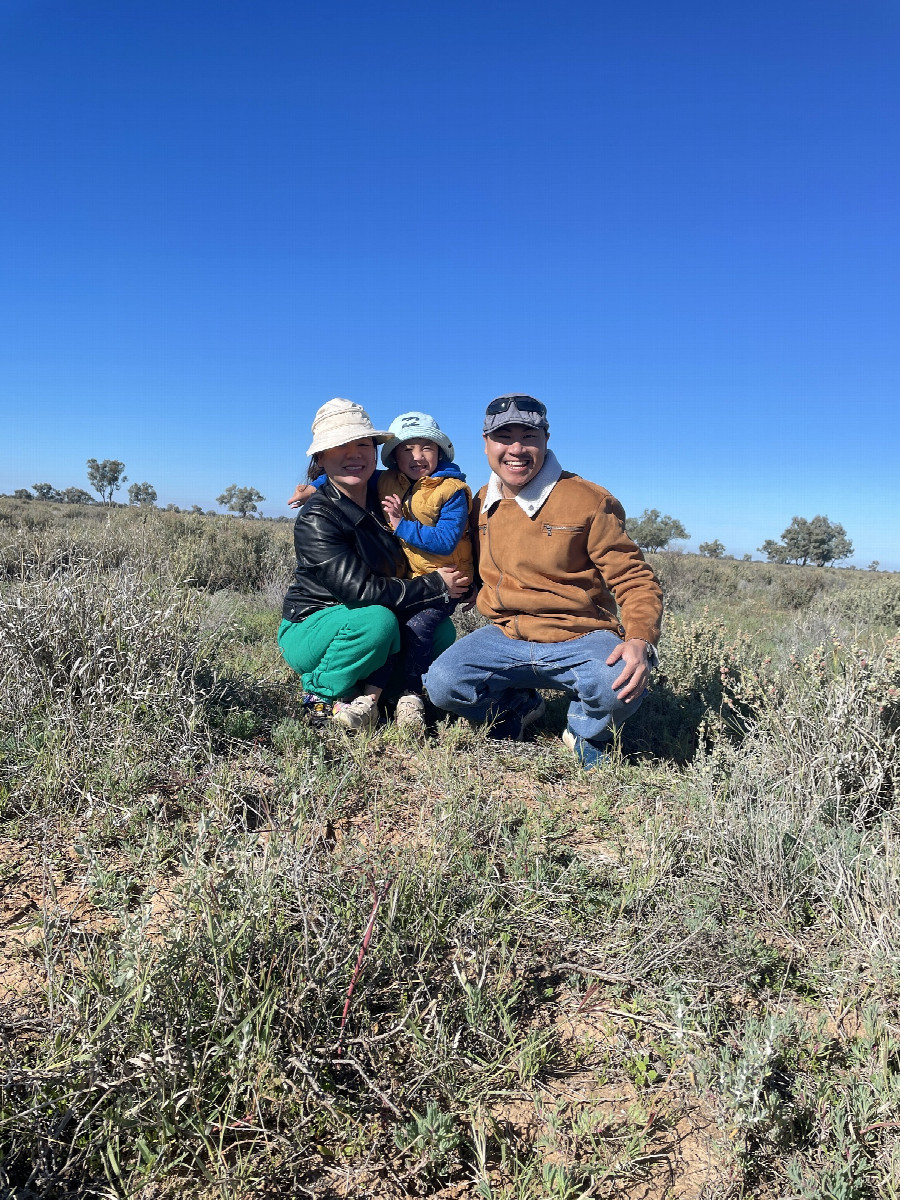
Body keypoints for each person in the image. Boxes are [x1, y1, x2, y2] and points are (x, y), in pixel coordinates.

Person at [423, 395, 663, 767]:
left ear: (546, 440)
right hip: (507, 635)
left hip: (580, 635)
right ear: (486, 443)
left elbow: (633, 577)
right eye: (504, 436)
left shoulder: (588, 500)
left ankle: (584, 730)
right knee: (442, 683)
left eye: (528, 436)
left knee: (620, 684)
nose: (516, 449)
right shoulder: (480, 502)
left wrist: (639, 639)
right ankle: (517, 706)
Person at [279, 398, 470, 732]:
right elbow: (361, 591)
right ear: (321, 457)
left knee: (441, 631)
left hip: (371, 616)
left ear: (376, 451)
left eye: (362, 444)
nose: (354, 454)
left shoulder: (386, 491)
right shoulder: (317, 517)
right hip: (315, 625)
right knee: (377, 621)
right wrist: (438, 586)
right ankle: (320, 695)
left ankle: (383, 699)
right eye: (340, 446)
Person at [377, 412, 474, 729]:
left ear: (440, 451)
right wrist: (316, 487)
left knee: (418, 628)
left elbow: (446, 542)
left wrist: (400, 525)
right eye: (407, 449)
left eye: (426, 447)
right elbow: (356, 475)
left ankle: (411, 697)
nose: (417, 456)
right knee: (390, 625)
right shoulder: (389, 479)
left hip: (449, 582)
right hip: (412, 580)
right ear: (394, 456)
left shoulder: (452, 490)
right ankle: (382, 695)